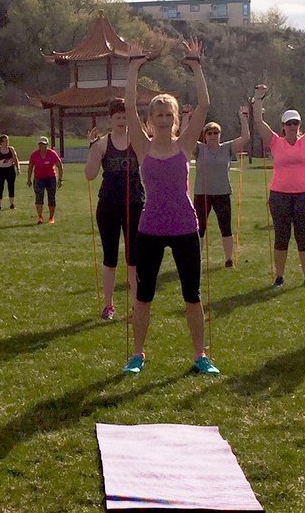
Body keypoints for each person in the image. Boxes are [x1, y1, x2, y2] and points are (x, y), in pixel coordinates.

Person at [123, 39, 219, 376]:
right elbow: (128, 106)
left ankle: (200, 356)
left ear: (176, 119)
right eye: (158, 114)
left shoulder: (185, 145)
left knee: (192, 295)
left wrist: (196, 67)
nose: (163, 119)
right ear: (150, 120)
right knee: (143, 296)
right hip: (150, 228)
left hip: (184, 228)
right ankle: (137, 354)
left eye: (169, 114)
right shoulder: (141, 146)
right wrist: (134, 68)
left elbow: (205, 105)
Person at [252, 80, 305, 288]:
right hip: (280, 195)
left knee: (303, 236)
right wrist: (258, 98)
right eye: (289, 124)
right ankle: (279, 277)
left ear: (299, 125)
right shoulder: (276, 142)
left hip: (304, 194)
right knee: (281, 237)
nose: (292, 127)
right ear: (283, 127)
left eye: (295, 123)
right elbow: (258, 121)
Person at [85, 98, 144, 321]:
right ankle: (108, 305)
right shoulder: (102, 144)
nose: (122, 120)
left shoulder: (139, 141)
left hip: (135, 205)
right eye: (118, 117)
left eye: (125, 116)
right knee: (110, 258)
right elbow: (90, 175)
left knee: (134, 259)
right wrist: (91, 147)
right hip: (108, 206)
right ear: (110, 119)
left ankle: (137, 306)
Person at [192, 108, 251, 268]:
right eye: (209, 133)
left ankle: (228, 259)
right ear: (205, 135)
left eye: (215, 132)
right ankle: (196, 258)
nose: (212, 135)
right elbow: (185, 136)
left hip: (222, 193)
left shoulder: (227, 148)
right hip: (202, 194)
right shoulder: (199, 149)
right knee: (199, 228)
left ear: (220, 134)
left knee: (225, 227)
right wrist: (187, 117)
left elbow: (245, 137)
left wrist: (243, 118)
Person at [26, 137, 62, 224]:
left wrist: (60, 179)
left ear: (47, 145)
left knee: (51, 197)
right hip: (39, 178)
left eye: (44, 144)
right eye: (40, 144)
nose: (42, 146)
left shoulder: (52, 154)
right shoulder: (34, 154)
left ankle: (51, 217)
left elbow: (60, 166)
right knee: (39, 197)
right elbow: (30, 167)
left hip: (50, 178)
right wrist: (29, 179)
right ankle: (40, 217)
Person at [0, 134, 19, 210]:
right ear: (1, 142)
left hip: (10, 170)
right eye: (5, 141)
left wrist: (18, 168)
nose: (7, 142)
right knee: (0, 187)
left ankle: (12, 204)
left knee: (11, 186)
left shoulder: (11, 149)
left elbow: (16, 159)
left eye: (8, 140)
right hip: (0, 170)